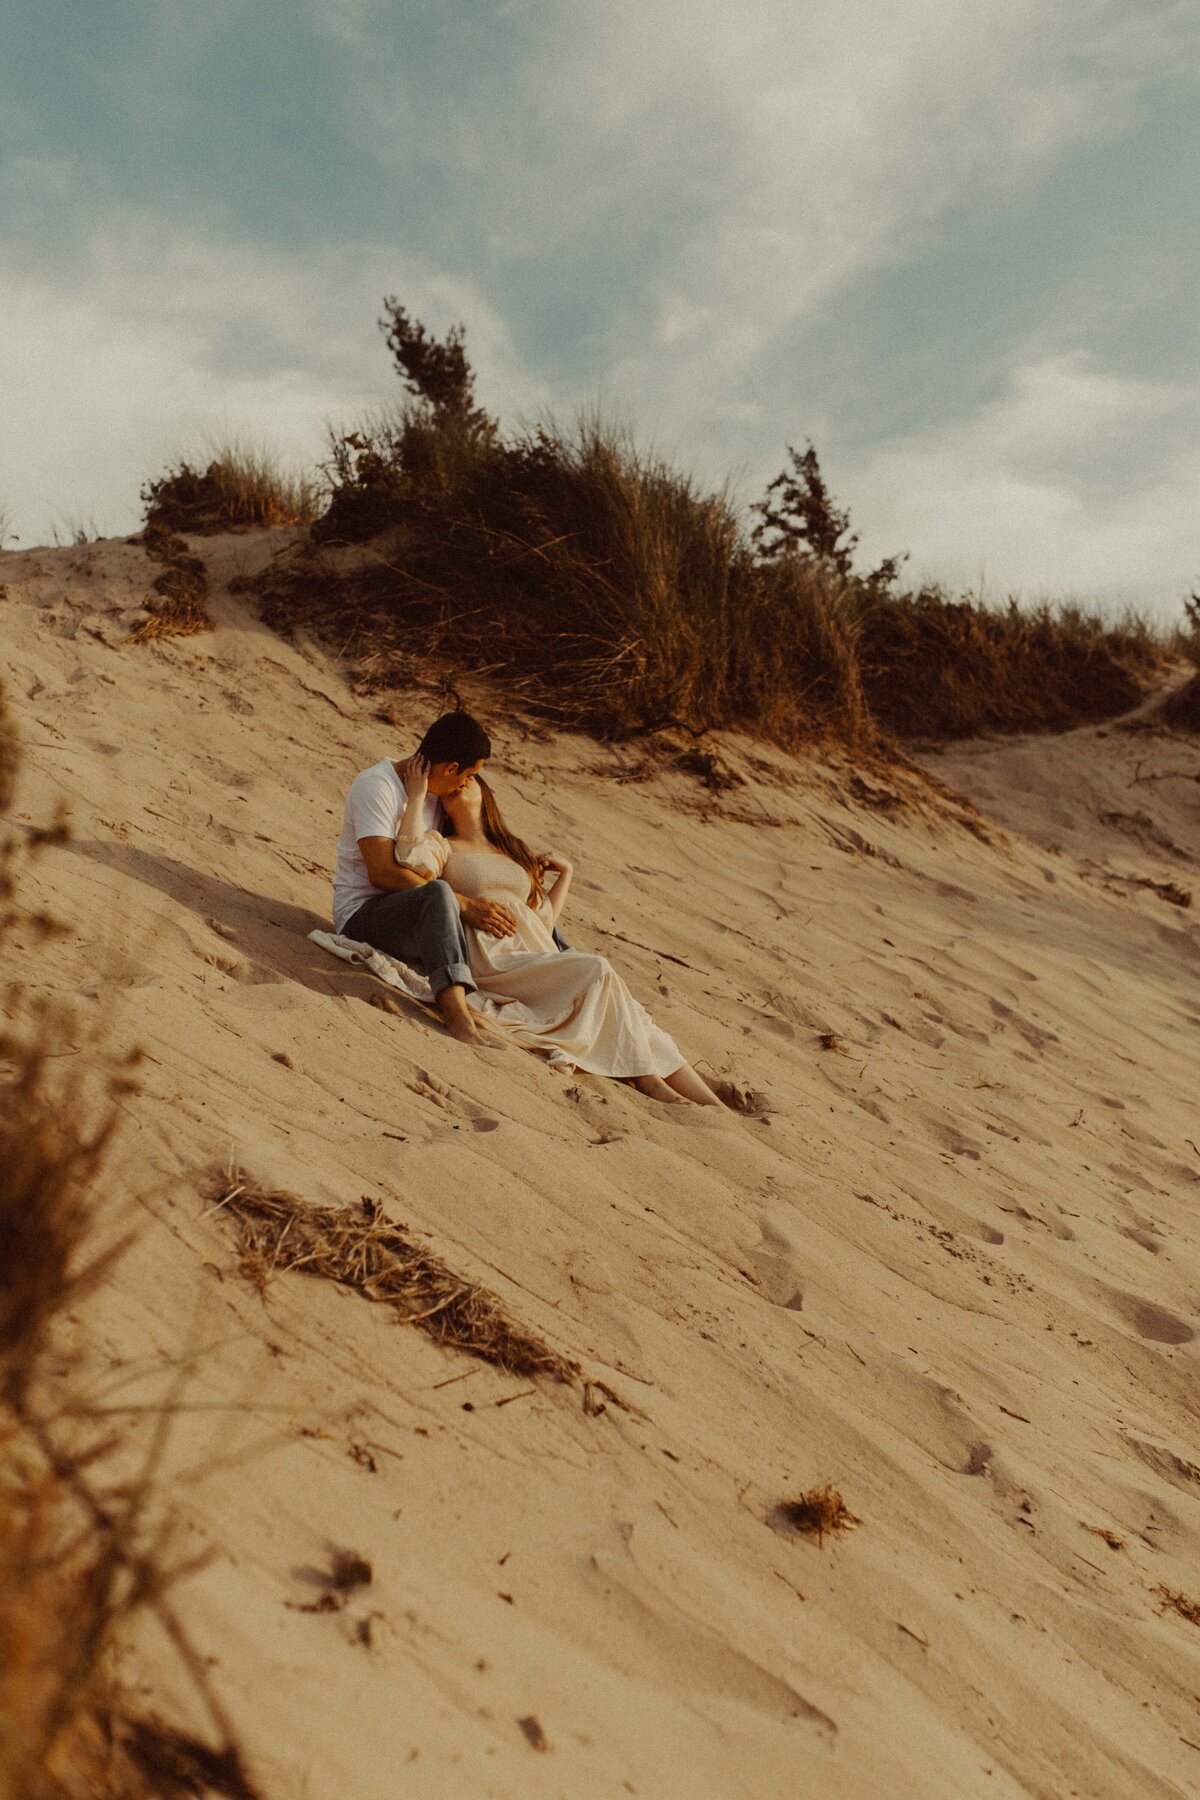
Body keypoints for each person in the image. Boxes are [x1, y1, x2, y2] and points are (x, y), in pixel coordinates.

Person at [393, 755, 723, 1106]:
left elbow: (542, 922)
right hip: (496, 959)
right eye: (451, 786)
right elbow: (410, 858)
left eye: (470, 780)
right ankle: (648, 1080)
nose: (460, 783)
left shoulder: (512, 852)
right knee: (597, 969)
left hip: (536, 955)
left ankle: (715, 1109)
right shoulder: (444, 846)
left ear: (486, 795)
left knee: (639, 1020)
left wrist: (566, 876)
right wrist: (416, 796)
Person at [332, 713, 504, 1047]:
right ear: (450, 768)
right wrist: (461, 902)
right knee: (440, 892)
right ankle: (458, 1017)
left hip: (421, 912)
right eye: (468, 775)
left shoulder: (440, 797)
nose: (466, 786)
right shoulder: (377, 785)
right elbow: (381, 872)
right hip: (363, 914)